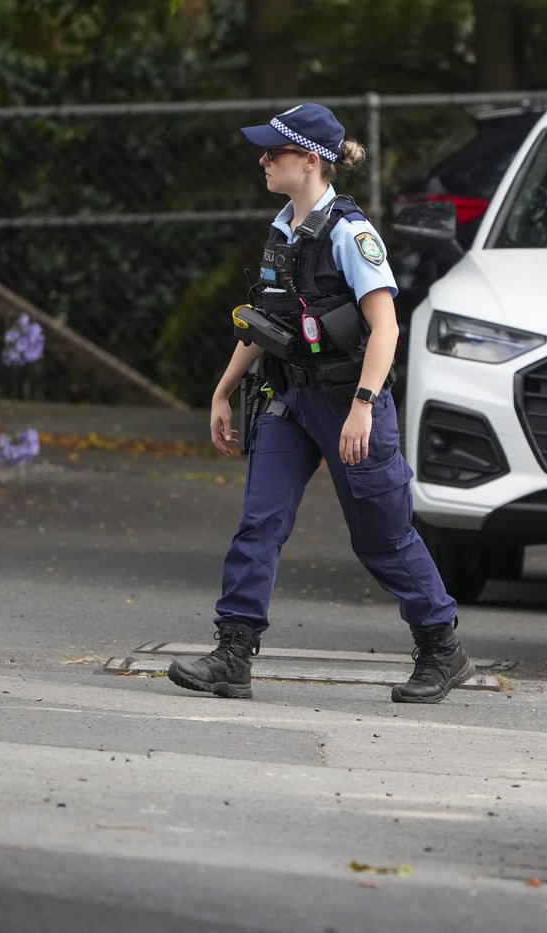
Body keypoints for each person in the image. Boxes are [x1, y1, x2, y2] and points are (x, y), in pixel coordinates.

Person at [168, 102, 474, 704]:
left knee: (382, 538)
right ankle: (233, 652)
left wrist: (363, 404)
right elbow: (261, 322)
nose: (262, 160)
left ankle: (442, 646)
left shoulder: (351, 235)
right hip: (289, 399)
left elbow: (385, 328)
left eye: (272, 152)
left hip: (347, 404)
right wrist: (223, 390)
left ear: (310, 161)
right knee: (260, 522)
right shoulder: (283, 228)